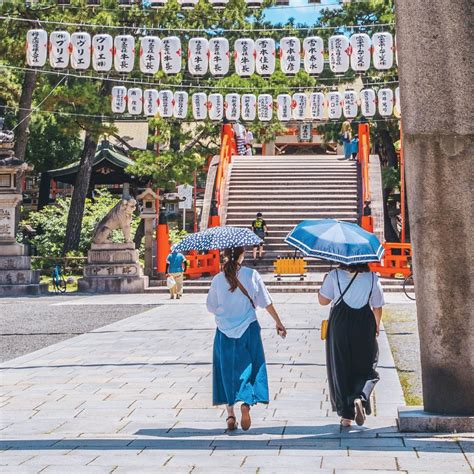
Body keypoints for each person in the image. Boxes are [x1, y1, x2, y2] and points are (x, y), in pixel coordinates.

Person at [206, 247, 287, 431]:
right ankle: (246, 403)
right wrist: (278, 322)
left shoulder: (218, 279)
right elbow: (265, 301)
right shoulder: (252, 274)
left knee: (225, 370)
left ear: (225, 256)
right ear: (242, 255)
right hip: (248, 327)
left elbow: (210, 306)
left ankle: (230, 415)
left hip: (224, 330)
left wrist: (223, 312)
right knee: (251, 366)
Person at [318, 263, 385, 427]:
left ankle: (346, 416)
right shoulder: (372, 277)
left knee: (341, 367)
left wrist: (324, 281)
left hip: (340, 323)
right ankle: (360, 397)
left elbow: (323, 301)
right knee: (368, 364)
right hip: (364, 323)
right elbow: (377, 306)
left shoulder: (334, 275)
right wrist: (376, 325)